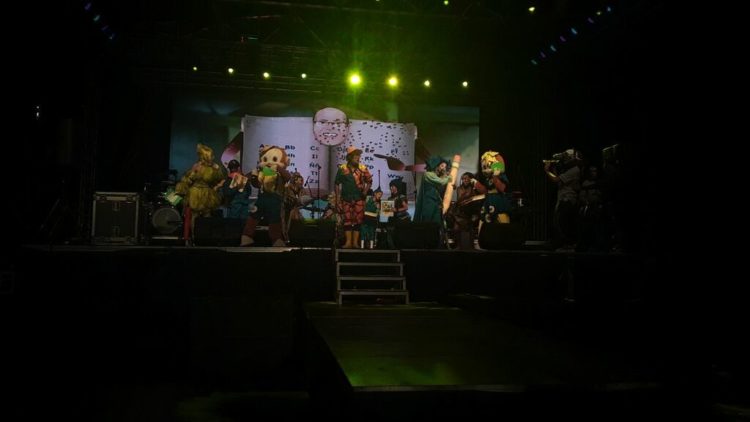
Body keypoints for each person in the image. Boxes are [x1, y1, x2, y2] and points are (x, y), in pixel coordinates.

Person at [175, 144, 226, 245]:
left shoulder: (214, 168)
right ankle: (195, 238)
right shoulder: (196, 166)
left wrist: (216, 187)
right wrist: (193, 173)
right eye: (211, 156)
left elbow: (222, 179)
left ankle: (205, 238)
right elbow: (187, 180)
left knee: (207, 216)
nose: (213, 158)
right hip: (195, 194)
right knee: (195, 216)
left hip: (207, 194)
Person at [240, 145, 291, 247]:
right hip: (262, 198)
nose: (269, 162)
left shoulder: (279, 172)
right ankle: (247, 236)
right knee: (254, 216)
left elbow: (288, 177)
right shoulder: (263, 172)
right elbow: (256, 184)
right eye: (265, 159)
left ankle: (276, 239)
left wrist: (278, 167)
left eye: (274, 159)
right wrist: (253, 177)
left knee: (275, 219)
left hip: (275, 199)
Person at [544, 149, 582, 252]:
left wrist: (547, 171)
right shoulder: (570, 169)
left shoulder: (574, 170)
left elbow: (556, 179)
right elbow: (558, 180)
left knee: (563, 223)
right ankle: (566, 244)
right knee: (558, 222)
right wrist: (554, 169)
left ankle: (569, 245)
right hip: (563, 198)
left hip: (567, 199)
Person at [334, 146, 372, 248]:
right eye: (356, 155)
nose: (358, 158)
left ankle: (355, 243)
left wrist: (365, 191)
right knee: (347, 220)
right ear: (350, 157)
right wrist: (337, 199)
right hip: (346, 198)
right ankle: (348, 243)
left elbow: (369, 181)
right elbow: (336, 183)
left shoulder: (363, 168)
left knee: (358, 220)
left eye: (359, 155)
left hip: (359, 198)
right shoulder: (342, 168)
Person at [451, 172, 487, 249]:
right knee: (456, 228)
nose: (465, 180)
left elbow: (481, 196)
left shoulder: (473, 188)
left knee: (471, 229)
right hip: (460, 212)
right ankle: (458, 245)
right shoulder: (459, 188)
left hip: (471, 212)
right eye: (463, 178)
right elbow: (460, 200)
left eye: (467, 178)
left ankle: (471, 246)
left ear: (470, 179)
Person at [414, 156, 452, 224]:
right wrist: (449, 177)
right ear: (436, 166)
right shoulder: (428, 174)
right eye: (442, 166)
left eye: (445, 166)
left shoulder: (436, 175)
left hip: (435, 202)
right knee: (428, 222)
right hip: (429, 202)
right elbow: (441, 182)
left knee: (436, 222)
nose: (444, 168)